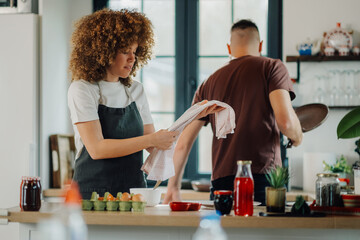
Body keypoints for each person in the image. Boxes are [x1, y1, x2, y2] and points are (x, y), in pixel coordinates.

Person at [67, 9, 218, 199]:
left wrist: (193, 116)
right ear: (103, 51)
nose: (132, 58)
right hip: (92, 196)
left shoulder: (135, 90)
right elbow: (97, 149)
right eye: (125, 51)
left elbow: (153, 146)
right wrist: (153, 139)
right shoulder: (82, 89)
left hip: (134, 194)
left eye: (135, 51)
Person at [164, 19, 303, 205]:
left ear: (229, 49)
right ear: (260, 45)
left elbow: (183, 143)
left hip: (221, 183)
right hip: (262, 179)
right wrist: (298, 136)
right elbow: (285, 122)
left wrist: (173, 186)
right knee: (262, 235)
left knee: (224, 234)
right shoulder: (272, 67)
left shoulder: (209, 82)